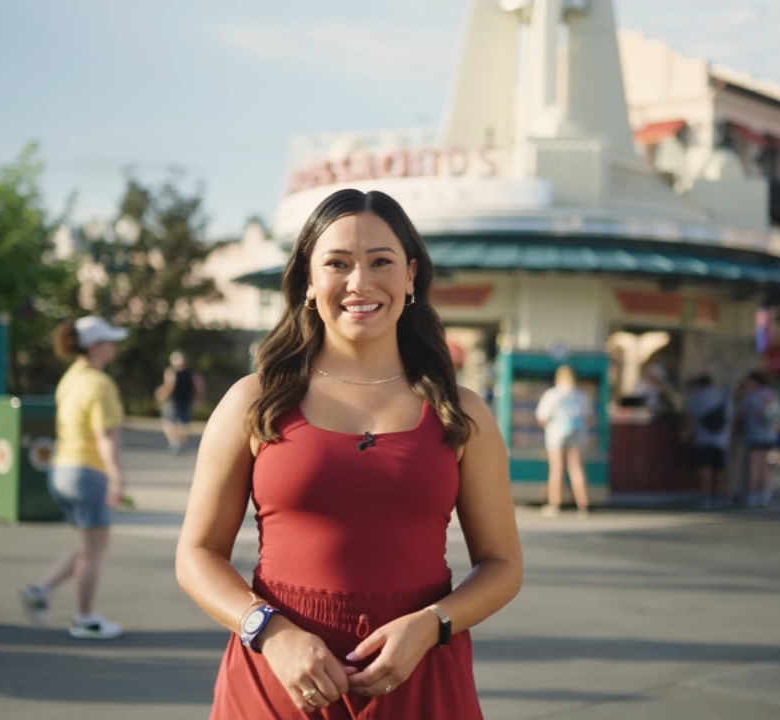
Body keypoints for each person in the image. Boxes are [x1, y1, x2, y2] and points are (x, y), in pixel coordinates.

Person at [175, 189, 523, 719]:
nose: (360, 282)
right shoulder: (254, 400)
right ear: (309, 282)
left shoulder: (462, 412)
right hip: (279, 678)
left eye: (380, 262)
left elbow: (502, 565)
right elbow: (196, 555)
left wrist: (433, 625)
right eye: (337, 263)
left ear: (410, 276)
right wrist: (269, 632)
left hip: (421, 675)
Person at [20, 316, 129, 640]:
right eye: (110, 339)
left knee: (89, 544)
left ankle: (42, 589)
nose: (115, 345)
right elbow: (105, 438)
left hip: (62, 470)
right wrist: (116, 480)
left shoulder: (70, 378)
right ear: (95, 346)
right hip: (87, 472)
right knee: (95, 549)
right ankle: (85, 619)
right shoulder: (100, 383)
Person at [536, 365, 593, 518]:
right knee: (576, 468)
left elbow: (542, 417)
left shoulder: (553, 394)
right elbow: (589, 418)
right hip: (578, 433)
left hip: (556, 434)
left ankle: (555, 504)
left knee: (556, 469)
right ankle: (583, 506)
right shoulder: (581, 395)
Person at [685, 373, 733, 510]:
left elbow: (690, 418)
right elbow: (731, 417)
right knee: (721, 469)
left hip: (703, 438)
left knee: (705, 468)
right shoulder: (724, 395)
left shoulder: (696, 396)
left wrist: (689, 435)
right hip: (722, 439)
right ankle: (721, 497)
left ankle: (706, 497)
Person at [738, 372, 779, 508]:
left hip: (754, 434)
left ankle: (752, 495)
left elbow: (742, 415)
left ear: (755, 382)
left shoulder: (751, 396)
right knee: (765, 466)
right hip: (769, 435)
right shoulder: (771, 395)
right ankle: (765, 494)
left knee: (755, 465)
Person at [156, 350, 207, 454]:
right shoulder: (192, 372)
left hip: (174, 400)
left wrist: (163, 395)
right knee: (185, 423)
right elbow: (199, 386)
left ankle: (174, 442)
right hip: (187, 399)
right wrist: (198, 397)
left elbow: (170, 385)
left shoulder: (171, 372)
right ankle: (181, 444)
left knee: (168, 422)